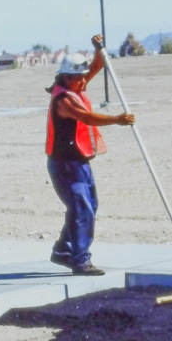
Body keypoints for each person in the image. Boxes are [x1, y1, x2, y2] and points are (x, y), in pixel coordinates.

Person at [45, 34, 135, 275]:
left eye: (84, 78)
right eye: (78, 78)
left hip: (79, 160)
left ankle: (64, 251)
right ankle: (80, 260)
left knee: (88, 206)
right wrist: (117, 119)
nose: (83, 82)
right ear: (66, 77)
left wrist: (99, 49)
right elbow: (85, 117)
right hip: (64, 164)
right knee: (82, 208)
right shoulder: (63, 99)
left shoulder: (76, 85)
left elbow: (96, 65)